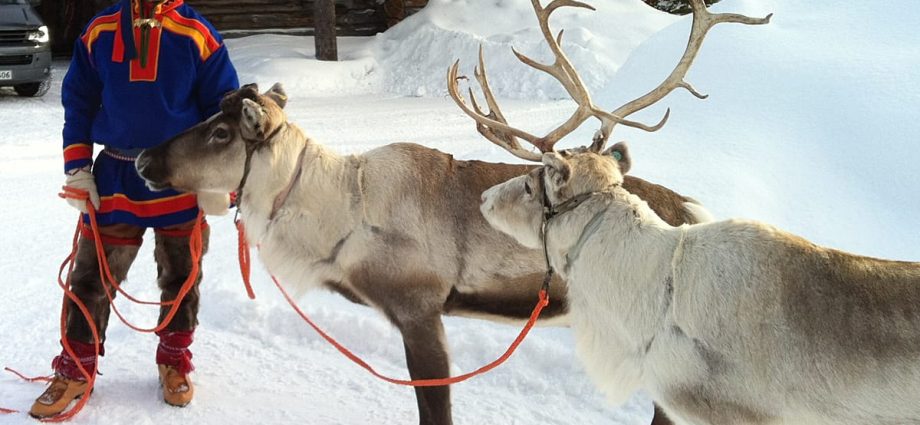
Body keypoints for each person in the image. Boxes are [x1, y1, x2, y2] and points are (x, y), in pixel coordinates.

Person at [29, 0, 239, 418]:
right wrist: (77, 168)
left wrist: (219, 179)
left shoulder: (198, 33)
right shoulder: (100, 30)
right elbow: (79, 101)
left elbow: (224, 110)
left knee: (182, 277)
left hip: (179, 176)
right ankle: (75, 368)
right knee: (90, 276)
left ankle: (174, 363)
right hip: (117, 176)